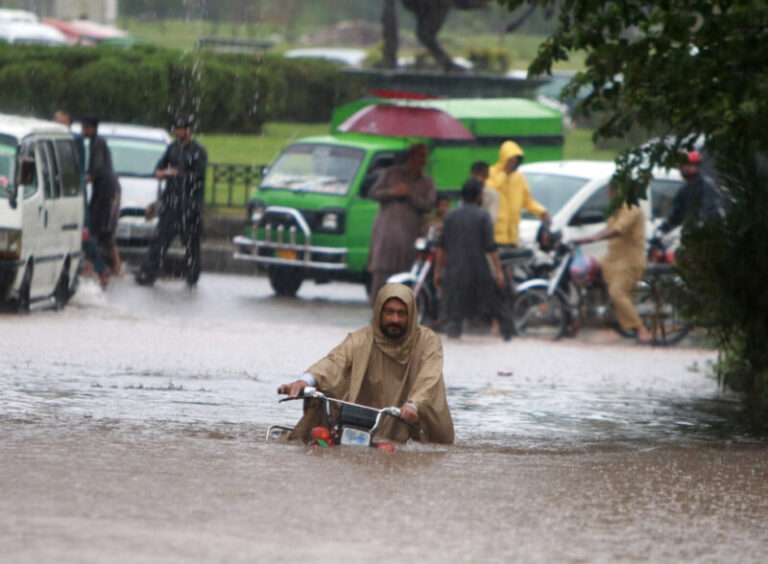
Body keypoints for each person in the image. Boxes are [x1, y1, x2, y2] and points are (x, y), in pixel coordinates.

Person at [277, 283, 454, 444]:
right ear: (378, 312)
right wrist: (306, 381)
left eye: (401, 313)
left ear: (412, 315)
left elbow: (429, 378)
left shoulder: (428, 342)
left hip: (411, 419)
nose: (395, 320)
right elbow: (334, 362)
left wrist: (413, 405)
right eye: (389, 312)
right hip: (365, 422)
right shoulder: (361, 340)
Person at [433, 179, 514, 341]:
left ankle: (455, 335)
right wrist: (498, 271)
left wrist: (437, 272)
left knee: (455, 316)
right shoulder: (483, 216)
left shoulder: (449, 216)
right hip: (478, 270)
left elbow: (441, 247)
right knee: (494, 303)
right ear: (478, 196)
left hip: (454, 270)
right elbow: (491, 247)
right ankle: (508, 336)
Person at [573, 184, 653, 342]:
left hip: (629, 261)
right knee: (589, 277)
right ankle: (581, 321)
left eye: (612, 191)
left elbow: (617, 230)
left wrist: (592, 239)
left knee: (617, 292)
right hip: (611, 259)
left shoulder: (632, 208)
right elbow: (606, 230)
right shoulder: (615, 211)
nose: (610, 195)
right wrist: (584, 239)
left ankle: (640, 328)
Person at [135, 115, 207, 288]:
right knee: (160, 239)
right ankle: (148, 273)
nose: (176, 132)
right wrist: (161, 172)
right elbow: (160, 167)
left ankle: (192, 275)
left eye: (180, 129)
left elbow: (198, 177)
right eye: (175, 129)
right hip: (171, 203)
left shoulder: (197, 151)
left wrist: (179, 174)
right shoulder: (172, 148)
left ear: (188, 131)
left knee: (191, 243)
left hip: (189, 205)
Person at [367, 143, 436, 304]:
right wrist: (392, 192)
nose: (423, 161)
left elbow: (428, 204)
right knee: (382, 271)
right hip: (386, 233)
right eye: (420, 156)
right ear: (411, 157)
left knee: (405, 272)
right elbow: (373, 193)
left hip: (409, 235)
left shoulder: (426, 181)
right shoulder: (391, 173)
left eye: (425, 157)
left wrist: (410, 195)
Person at [53, 110, 110, 289]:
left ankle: (99, 268)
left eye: (63, 123)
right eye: (56, 122)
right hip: (56, 193)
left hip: (74, 191)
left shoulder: (74, 140)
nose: (59, 126)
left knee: (82, 233)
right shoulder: (50, 138)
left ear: (69, 125)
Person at [80, 114, 122, 278]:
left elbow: (97, 168)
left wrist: (86, 178)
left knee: (96, 229)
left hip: (106, 191)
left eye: (85, 127)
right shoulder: (97, 142)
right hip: (104, 190)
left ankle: (95, 266)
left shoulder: (97, 143)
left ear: (92, 128)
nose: (82, 131)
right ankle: (114, 266)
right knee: (101, 230)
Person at [488, 140, 550, 246]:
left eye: (516, 161)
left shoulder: (519, 178)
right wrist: (504, 173)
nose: (513, 164)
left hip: (512, 236)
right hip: (494, 236)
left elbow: (527, 201)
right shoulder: (491, 172)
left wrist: (541, 212)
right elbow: (489, 191)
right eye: (511, 160)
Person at [659, 150, 726, 234]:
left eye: (688, 165)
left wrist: (698, 226)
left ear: (695, 166)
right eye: (682, 166)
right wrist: (661, 230)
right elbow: (676, 215)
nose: (683, 168)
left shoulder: (706, 185)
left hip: (708, 235)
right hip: (691, 235)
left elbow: (708, 211)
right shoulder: (684, 190)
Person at [470, 161, 500, 225]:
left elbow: (491, 219)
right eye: (476, 175)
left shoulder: (492, 195)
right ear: (471, 175)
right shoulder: (466, 191)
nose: (479, 179)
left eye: (482, 176)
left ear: (487, 176)